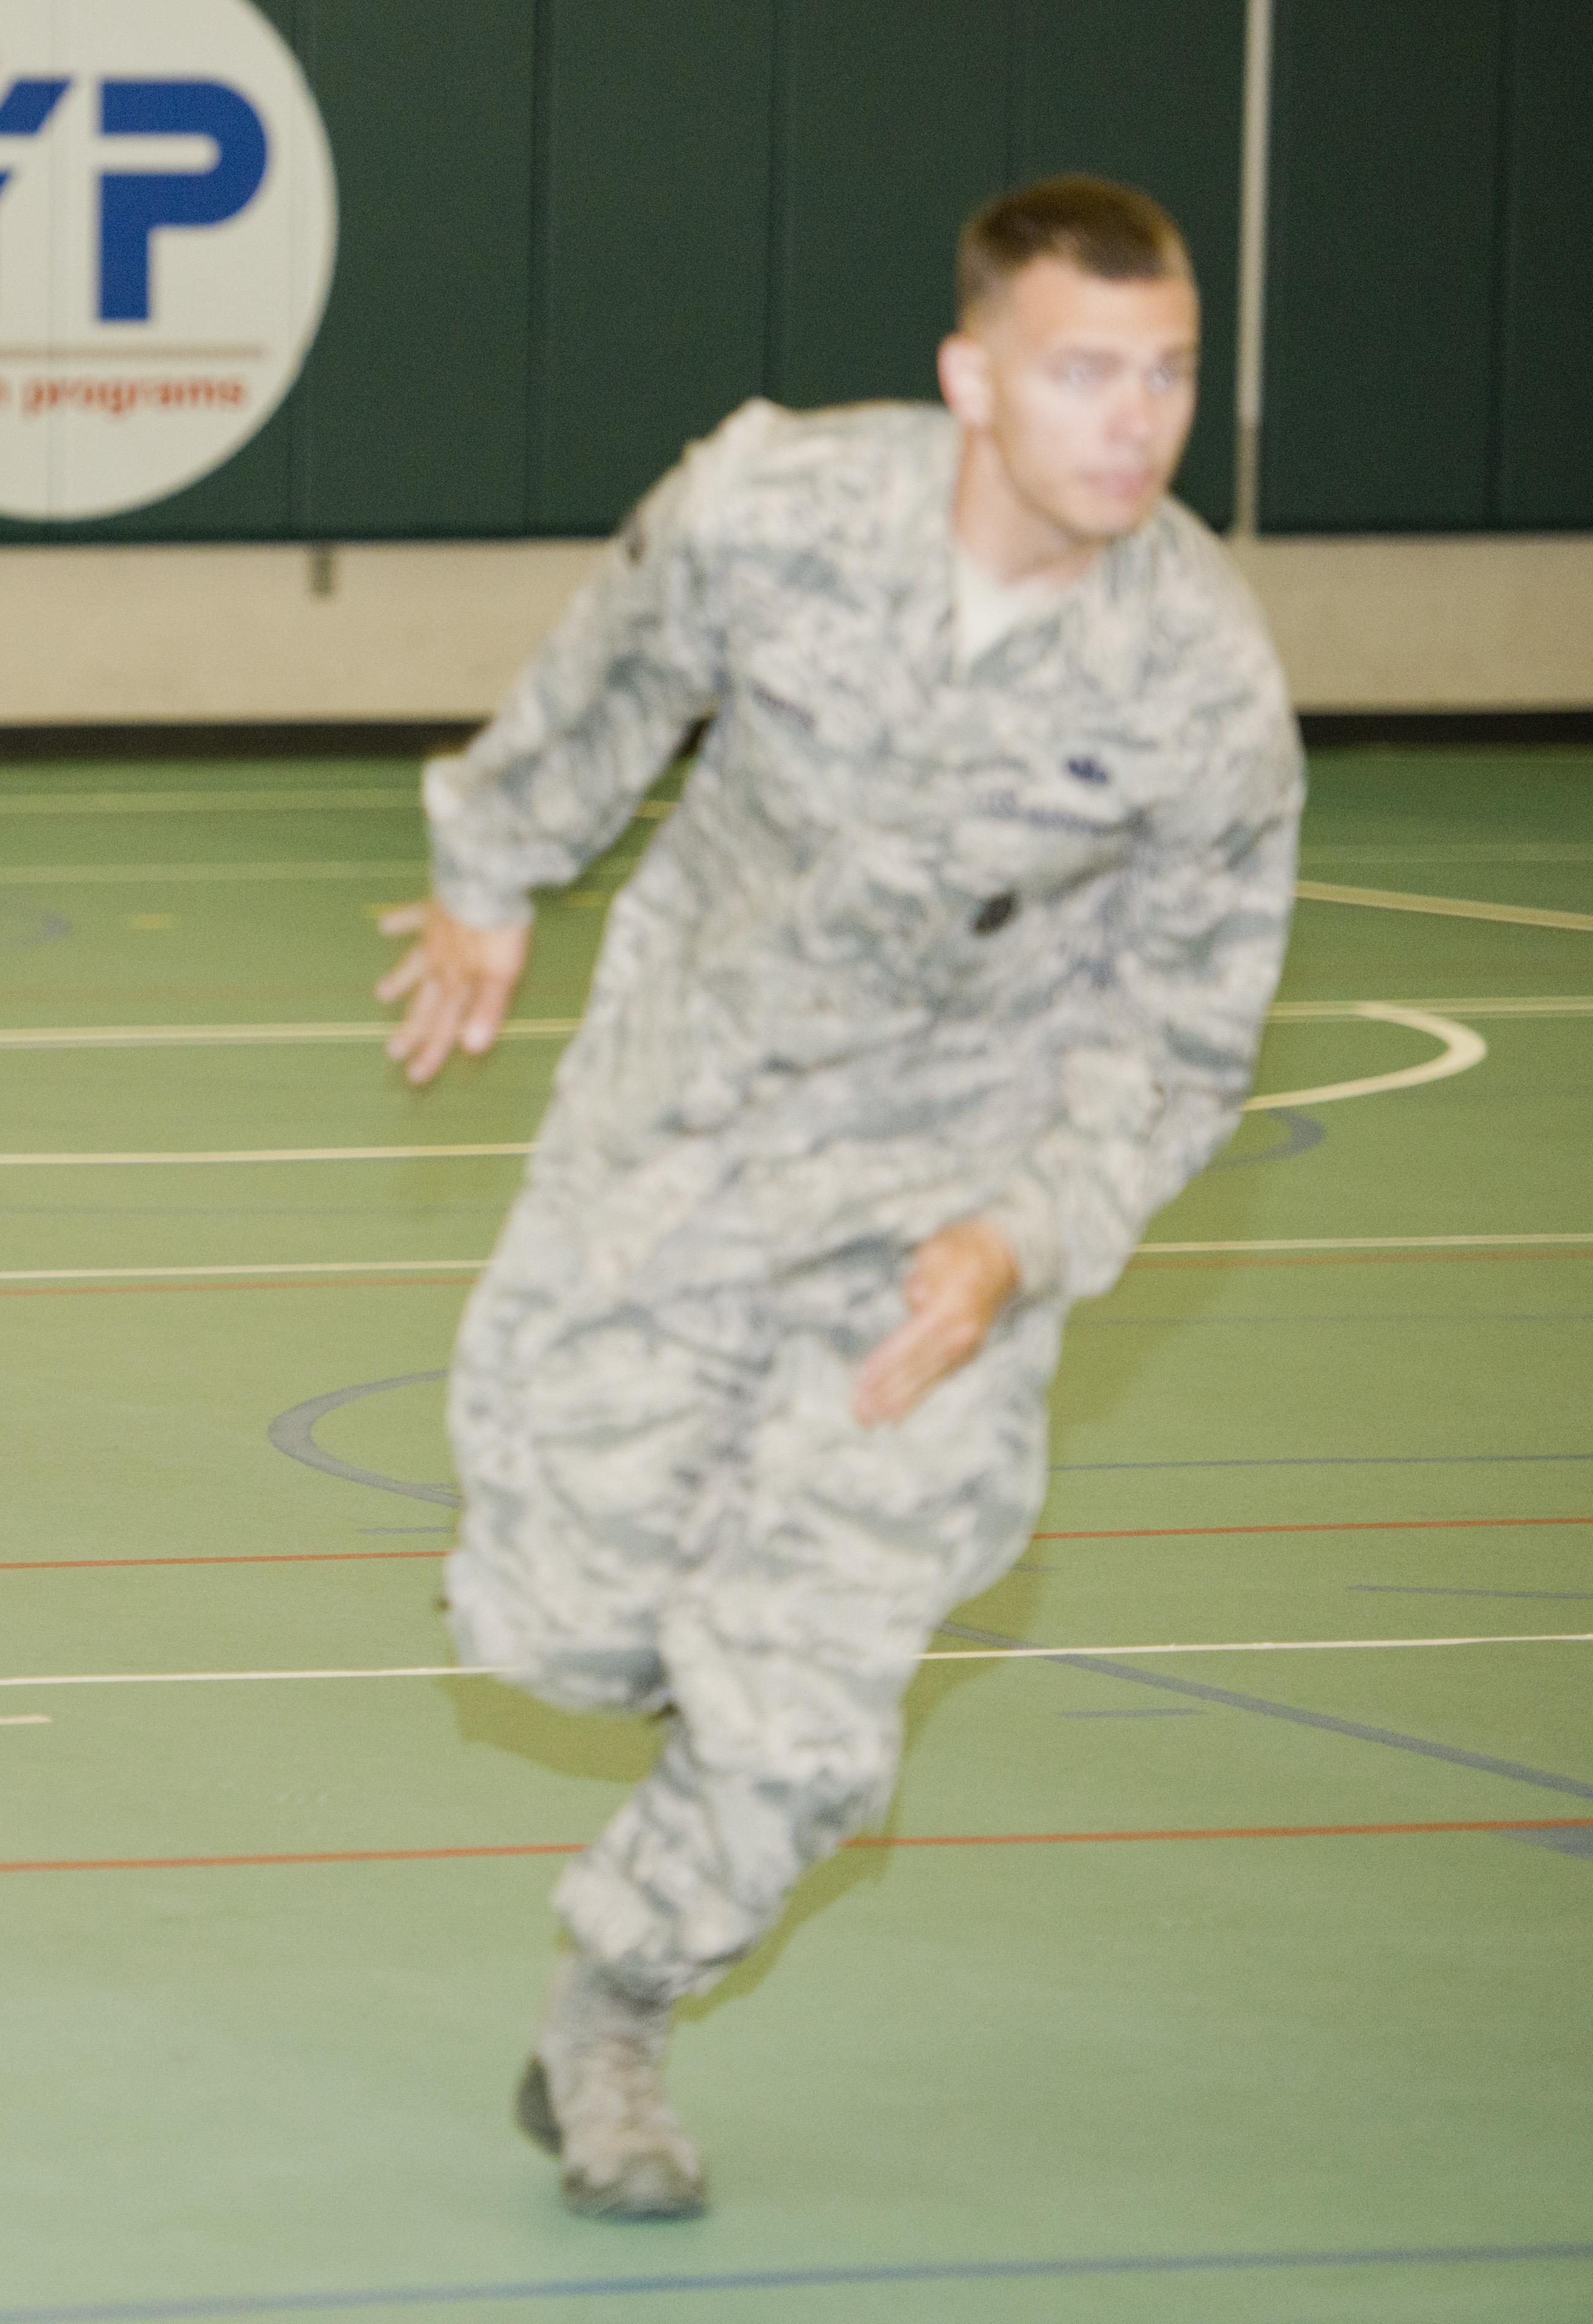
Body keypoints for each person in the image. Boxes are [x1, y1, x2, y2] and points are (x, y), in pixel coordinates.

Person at [375, 176, 1299, 2219]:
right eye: (1083, 373)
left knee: (800, 1720)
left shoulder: (1198, 678)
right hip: (681, 1130)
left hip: (938, 1219)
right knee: (558, 1620)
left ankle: (613, 2004)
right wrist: (487, 875)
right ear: (969, 378)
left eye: (1165, 375)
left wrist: (1018, 1237)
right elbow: (608, 671)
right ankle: (675, 1630)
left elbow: (1180, 1040)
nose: (1133, 422)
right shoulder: (772, 506)